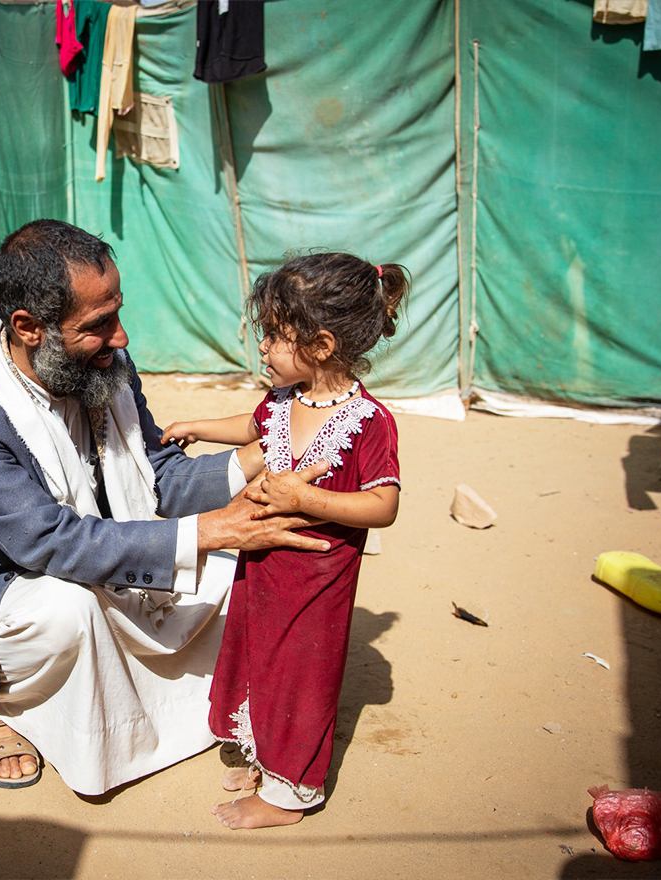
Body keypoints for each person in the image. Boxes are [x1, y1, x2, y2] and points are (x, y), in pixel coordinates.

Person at [0, 219, 331, 795]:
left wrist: (261, 456)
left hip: (107, 568)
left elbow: (159, 476)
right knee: (72, 606)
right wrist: (212, 530)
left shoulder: (104, 366)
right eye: (99, 324)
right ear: (28, 327)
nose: (123, 338)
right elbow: (52, 544)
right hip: (10, 596)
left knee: (243, 564)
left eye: (118, 312)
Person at [161, 252, 409, 829]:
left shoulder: (369, 421)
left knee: (301, 676)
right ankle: (263, 755)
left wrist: (306, 500)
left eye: (274, 336)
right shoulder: (282, 402)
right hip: (261, 567)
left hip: (317, 581)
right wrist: (196, 426)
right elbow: (249, 428)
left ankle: (289, 794)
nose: (264, 348)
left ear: (321, 345)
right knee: (259, 661)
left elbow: (384, 504)